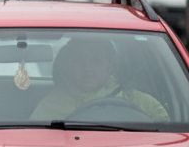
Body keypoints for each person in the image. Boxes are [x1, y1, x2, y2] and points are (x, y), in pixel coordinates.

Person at [30, 37, 167, 122]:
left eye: (97, 61)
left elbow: (166, 132)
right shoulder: (52, 104)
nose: (87, 68)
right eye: (79, 61)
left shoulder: (136, 99)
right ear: (68, 66)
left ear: (110, 66)